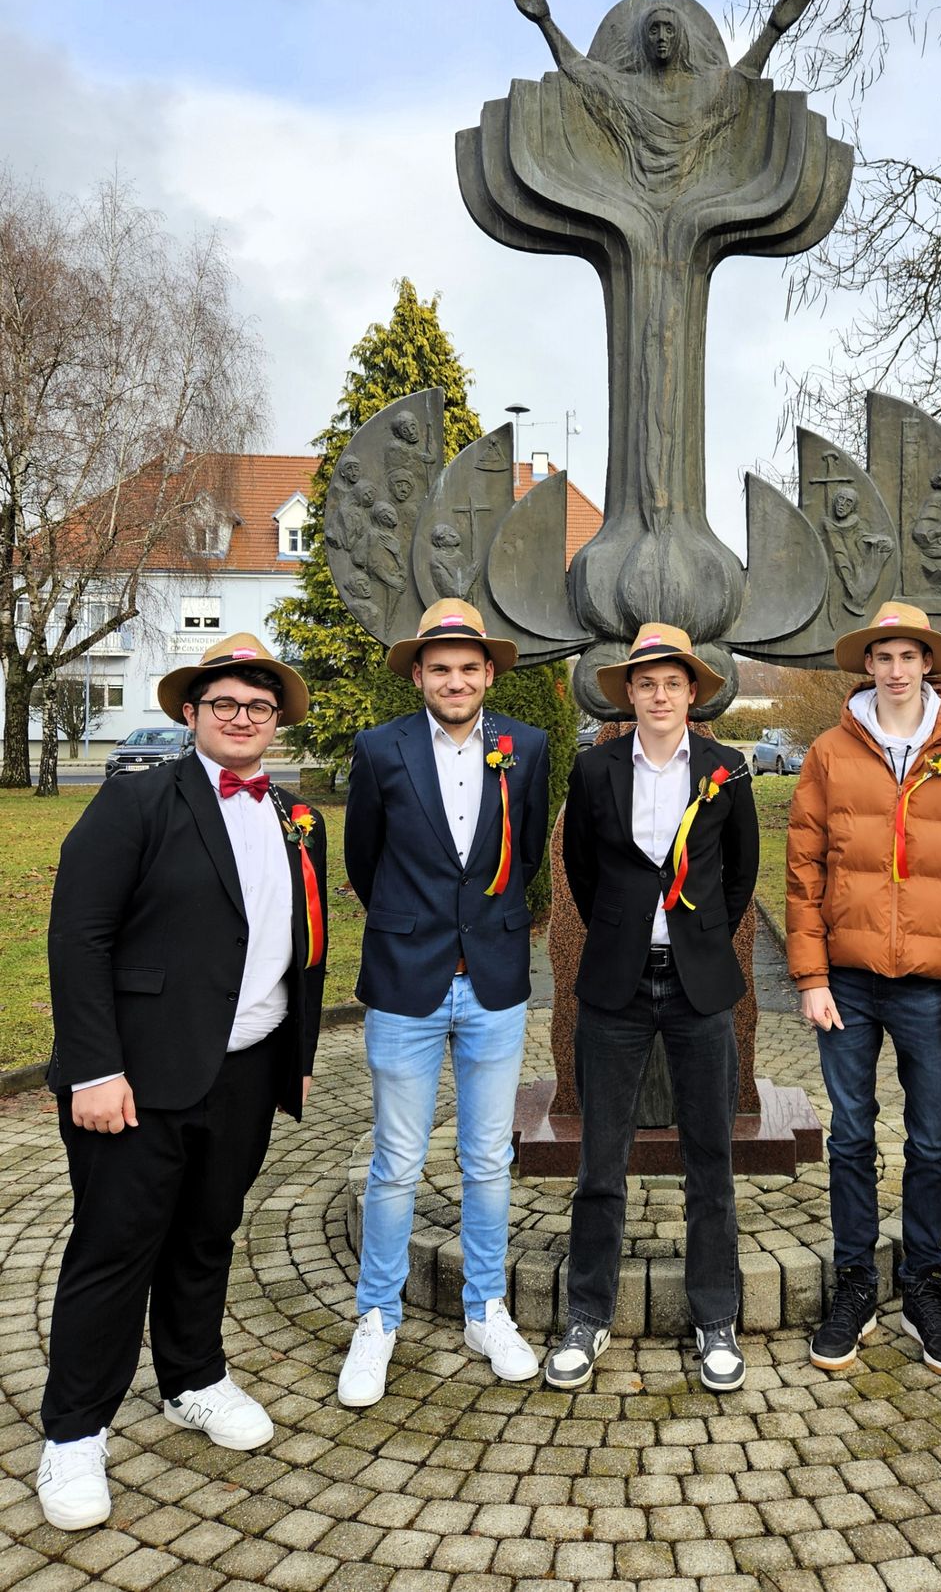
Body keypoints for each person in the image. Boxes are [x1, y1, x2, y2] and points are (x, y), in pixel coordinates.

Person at [37, 634, 327, 1532]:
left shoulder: (292, 813)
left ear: (276, 723)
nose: (243, 718)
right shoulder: (135, 802)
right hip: (137, 1077)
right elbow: (78, 935)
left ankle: (193, 1376)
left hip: (246, 1068)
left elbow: (293, 939)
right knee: (115, 1248)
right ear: (192, 715)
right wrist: (93, 1066)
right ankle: (75, 1433)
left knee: (207, 1233)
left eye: (260, 706)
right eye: (226, 704)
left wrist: (297, 1057)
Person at [787, 602, 941, 1378]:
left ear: (928, 664)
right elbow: (804, 871)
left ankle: (922, 1283)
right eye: (881, 655)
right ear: (867, 665)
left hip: (932, 989)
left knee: (932, 1138)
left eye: (908, 655)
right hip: (845, 980)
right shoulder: (827, 751)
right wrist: (811, 976)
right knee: (850, 1135)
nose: (894, 668)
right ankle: (855, 1283)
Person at [339, 598, 550, 1403]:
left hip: (493, 975)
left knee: (488, 1156)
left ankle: (485, 1306)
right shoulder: (380, 748)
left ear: (489, 673)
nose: (454, 680)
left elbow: (524, 849)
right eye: (440, 668)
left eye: (468, 667)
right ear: (419, 675)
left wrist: (485, 919)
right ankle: (377, 1318)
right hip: (406, 976)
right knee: (396, 1159)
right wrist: (412, 920)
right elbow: (364, 857)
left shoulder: (522, 748)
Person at [547, 624, 759, 1392]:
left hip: (700, 985)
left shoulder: (727, 769)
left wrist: (698, 935)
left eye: (673, 682)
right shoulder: (594, 767)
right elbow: (581, 869)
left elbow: (741, 875)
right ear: (627, 693)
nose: (659, 694)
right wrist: (626, 929)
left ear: (693, 693)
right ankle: (588, 1313)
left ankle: (715, 1316)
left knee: (711, 1161)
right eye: (645, 682)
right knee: (601, 1161)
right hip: (618, 985)